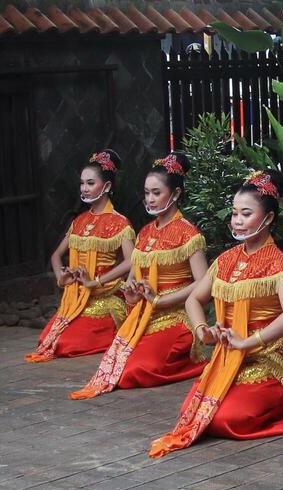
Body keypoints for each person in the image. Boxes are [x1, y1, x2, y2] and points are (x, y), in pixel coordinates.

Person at [149, 170, 283, 457]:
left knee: (229, 419)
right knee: (192, 410)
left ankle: (279, 398)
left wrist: (250, 341)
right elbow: (194, 300)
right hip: (230, 353)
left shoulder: (278, 263)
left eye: (246, 214)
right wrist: (202, 331)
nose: (237, 220)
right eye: (235, 213)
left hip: (268, 352)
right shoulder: (225, 260)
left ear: (268, 218)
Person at [70, 152, 208, 399]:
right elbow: (132, 279)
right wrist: (132, 293)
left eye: (157, 193)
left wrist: (162, 300)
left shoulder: (189, 234)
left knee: (136, 371)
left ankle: (190, 361)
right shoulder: (144, 233)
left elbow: (203, 283)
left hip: (175, 317)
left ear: (175, 194)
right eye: (147, 193)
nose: (150, 199)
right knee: (119, 366)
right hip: (145, 314)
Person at [27, 150, 134, 362]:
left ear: (107, 187)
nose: (84, 188)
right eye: (82, 183)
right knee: (48, 341)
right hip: (76, 299)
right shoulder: (80, 221)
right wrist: (61, 277)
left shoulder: (120, 223)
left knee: (65, 344)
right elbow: (56, 255)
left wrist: (96, 282)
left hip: (104, 297)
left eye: (90, 183)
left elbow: (132, 261)